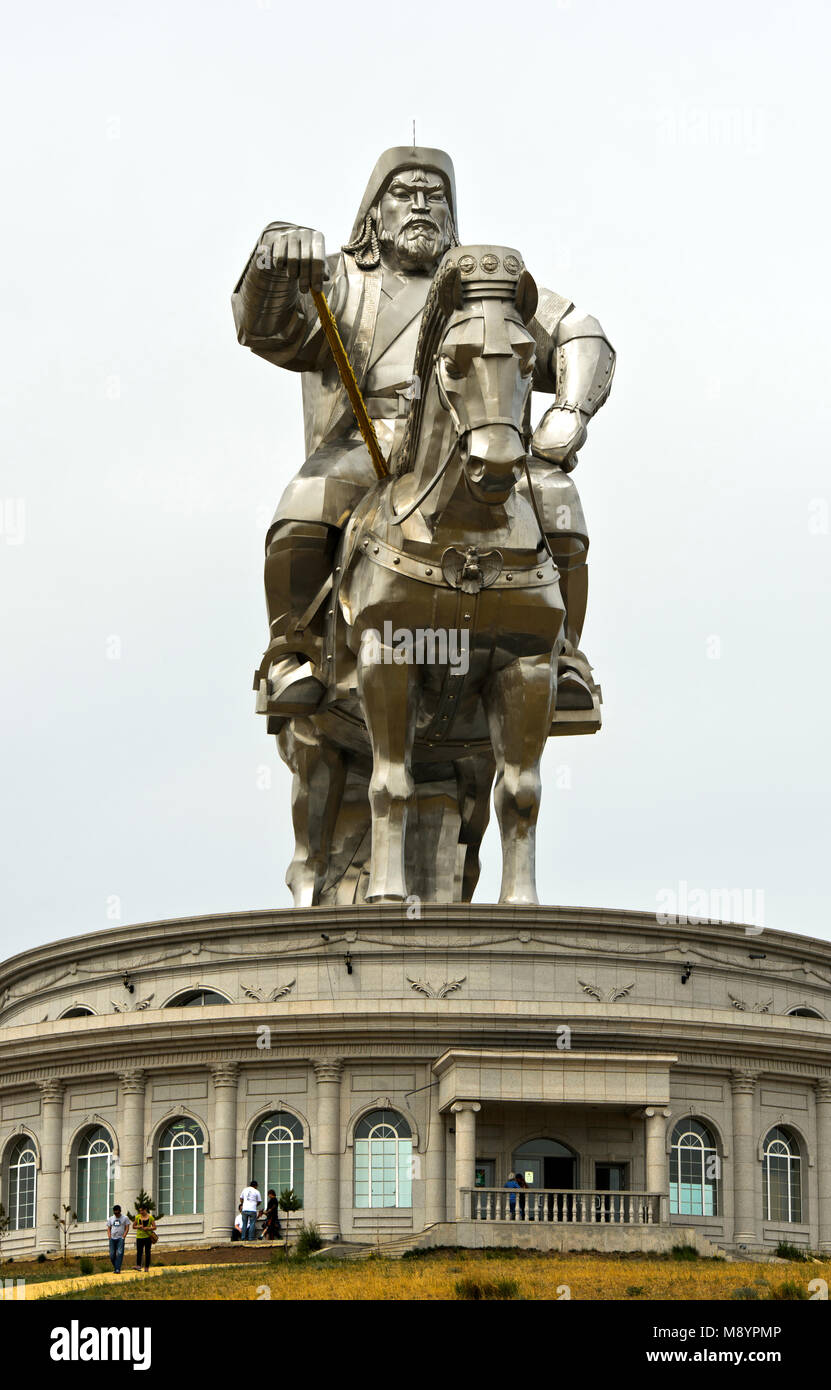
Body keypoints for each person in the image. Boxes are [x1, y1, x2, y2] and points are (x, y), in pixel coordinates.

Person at [106, 1205, 130, 1274]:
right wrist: (109, 1236)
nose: (116, 1214)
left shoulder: (125, 1218)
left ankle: (117, 1269)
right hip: (112, 1238)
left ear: (120, 1211)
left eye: (117, 1213)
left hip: (120, 1238)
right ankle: (116, 1267)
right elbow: (108, 1228)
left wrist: (124, 1236)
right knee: (112, 1255)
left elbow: (127, 1227)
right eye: (115, 1213)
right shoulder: (111, 1218)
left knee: (120, 1253)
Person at [134, 1202, 156, 1272]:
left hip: (147, 1237)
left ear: (145, 1210)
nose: (141, 1212)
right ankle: (138, 1265)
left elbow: (155, 1227)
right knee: (139, 1252)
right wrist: (139, 1226)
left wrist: (148, 1228)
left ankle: (146, 1267)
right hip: (139, 1237)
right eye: (140, 1211)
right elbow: (133, 1226)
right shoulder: (137, 1217)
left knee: (147, 1252)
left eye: (142, 1211)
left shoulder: (150, 1217)